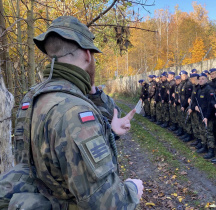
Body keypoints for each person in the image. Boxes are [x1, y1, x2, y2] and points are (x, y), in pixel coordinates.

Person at [14, 16, 143, 209]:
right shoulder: (75, 111)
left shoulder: (32, 98)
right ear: (87, 55)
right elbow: (109, 204)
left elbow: (51, 157)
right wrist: (132, 190)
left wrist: (109, 131)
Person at [194, 73, 215, 159]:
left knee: (209, 133)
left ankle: (211, 150)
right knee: (202, 131)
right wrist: (195, 106)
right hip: (200, 114)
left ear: (206, 80)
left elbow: (211, 105)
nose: (201, 80)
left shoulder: (209, 90)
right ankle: (204, 146)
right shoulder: (199, 89)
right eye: (199, 79)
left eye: (203, 79)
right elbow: (195, 100)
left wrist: (207, 116)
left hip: (207, 116)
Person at [178, 70, 193, 142]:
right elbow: (181, 95)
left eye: (184, 75)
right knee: (184, 120)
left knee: (188, 121)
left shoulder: (189, 83)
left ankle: (189, 135)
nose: (182, 77)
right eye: (181, 76)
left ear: (187, 75)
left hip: (187, 105)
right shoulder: (183, 83)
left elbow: (188, 96)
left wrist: (184, 105)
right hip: (183, 104)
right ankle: (186, 133)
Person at [188, 74, 202, 144]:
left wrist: (192, 108)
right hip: (193, 109)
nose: (190, 81)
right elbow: (193, 98)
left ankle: (200, 141)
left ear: (194, 79)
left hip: (197, 110)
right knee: (195, 125)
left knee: (198, 126)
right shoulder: (194, 87)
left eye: (191, 79)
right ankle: (197, 139)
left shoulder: (199, 87)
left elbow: (198, 101)